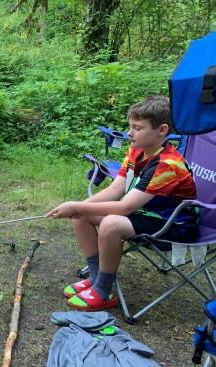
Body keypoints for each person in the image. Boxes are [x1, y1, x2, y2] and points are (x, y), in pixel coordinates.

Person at [47, 95, 198, 312]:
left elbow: (125, 208)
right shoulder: (137, 150)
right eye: (130, 126)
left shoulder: (167, 165)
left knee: (110, 223)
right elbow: (116, 189)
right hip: (146, 215)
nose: (129, 133)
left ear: (162, 130)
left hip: (175, 226)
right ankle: (96, 276)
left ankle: (103, 290)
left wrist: (77, 205)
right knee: (82, 215)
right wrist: (79, 207)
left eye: (137, 128)